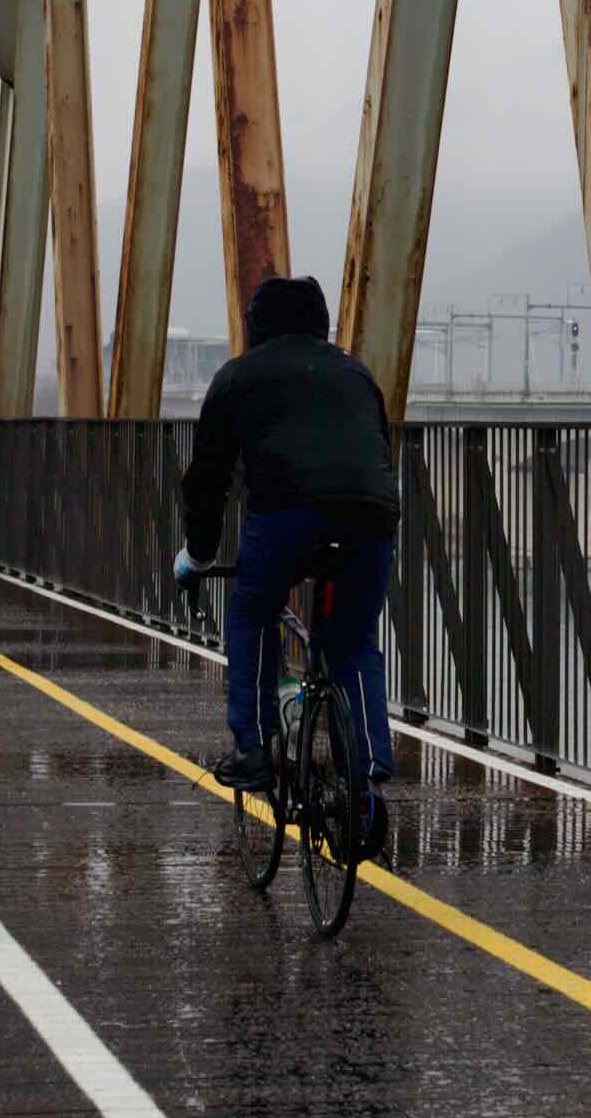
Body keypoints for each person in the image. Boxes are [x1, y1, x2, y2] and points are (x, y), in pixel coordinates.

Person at [174, 275, 400, 829]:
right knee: (350, 641)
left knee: (252, 610)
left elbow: (207, 481)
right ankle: (366, 785)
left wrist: (198, 556)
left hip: (286, 515)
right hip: (372, 516)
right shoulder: (356, 373)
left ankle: (253, 748)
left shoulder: (238, 378)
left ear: (256, 326)